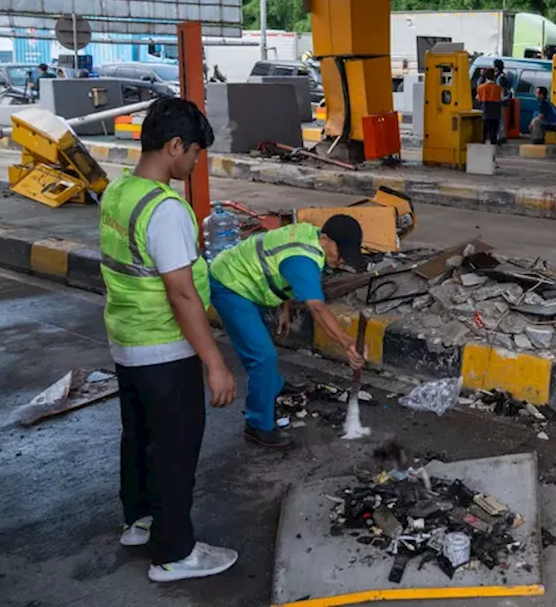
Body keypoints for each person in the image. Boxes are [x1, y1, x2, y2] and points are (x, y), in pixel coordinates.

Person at [98, 96, 239, 583]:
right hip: (163, 346)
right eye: (196, 152)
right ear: (175, 146)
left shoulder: (120, 192)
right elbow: (181, 294)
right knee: (176, 449)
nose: (196, 162)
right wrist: (214, 363)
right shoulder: (166, 210)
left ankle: (138, 521)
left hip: (127, 340)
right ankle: (174, 553)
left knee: (138, 437)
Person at [208, 215, 368, 448]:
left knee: (263, 344)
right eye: (340, 251)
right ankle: (257, 425)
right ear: (324, 239)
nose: (341, 259)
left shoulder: (312, 237)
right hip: (230, 284)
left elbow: (280, 266)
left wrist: (284, 305)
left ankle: (274, 386)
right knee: (262, 356)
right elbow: (317, 308)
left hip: (250, 280)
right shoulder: (303, 258)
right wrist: (347, 343)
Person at [475, 68, 503, 145]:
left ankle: (483, 149)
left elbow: (477, 99)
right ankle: (492, 151)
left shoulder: (480, 87)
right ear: (494, 76)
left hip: (484, 113)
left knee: (483, 134)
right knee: (493, 135)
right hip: (495, 114)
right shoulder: (499, 88)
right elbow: (502, 99)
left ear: (485, 77)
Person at [493, 59, 514, 143]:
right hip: (500, 100)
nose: (493, 67)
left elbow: (501, 90)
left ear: (497, 67)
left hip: (499, 100)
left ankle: (501, 136)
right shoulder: (501, 76)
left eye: (494, 66)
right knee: (501, 118)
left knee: (500, 119)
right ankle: (501, 136)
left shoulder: (500, 77)